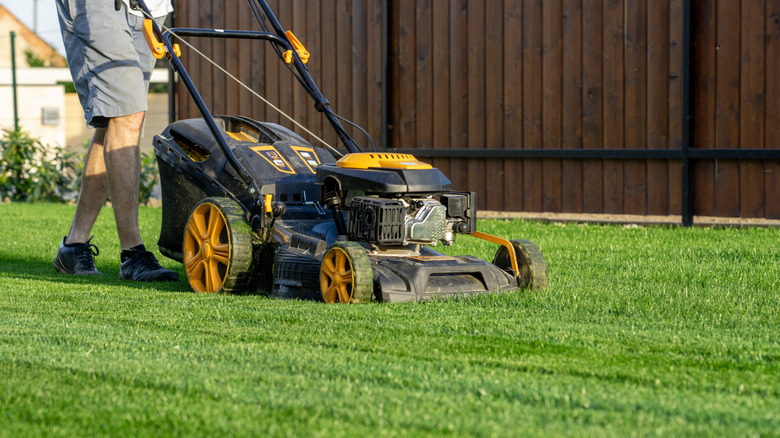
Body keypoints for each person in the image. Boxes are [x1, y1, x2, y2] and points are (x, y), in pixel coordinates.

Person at [53, 0, 178, 282]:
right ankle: (132, 253)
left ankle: (73, 246)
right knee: (127, 114)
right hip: (99, 5)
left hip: (151, 8)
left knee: (116, 117)